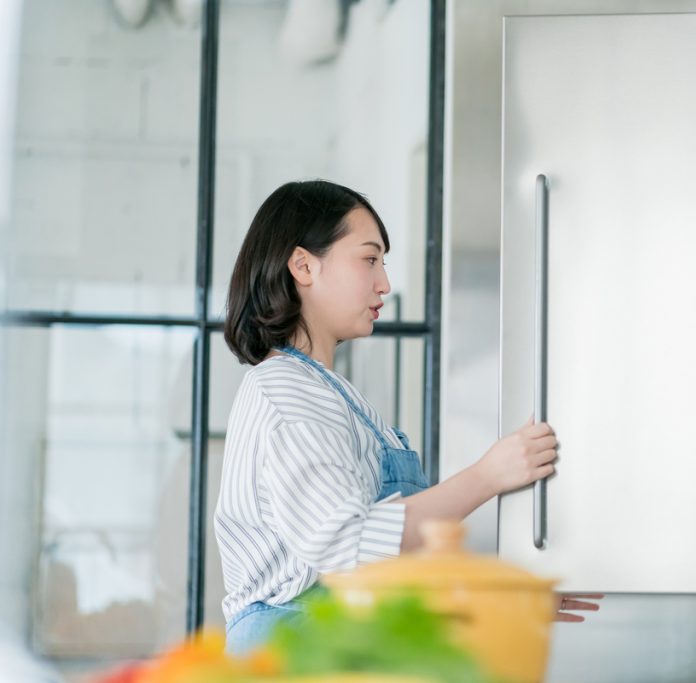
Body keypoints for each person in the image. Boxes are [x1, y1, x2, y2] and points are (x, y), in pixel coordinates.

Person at [215, 180, 597, 656]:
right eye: (369, 259)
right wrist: (487, 475)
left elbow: (385, 567)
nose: (385, 284)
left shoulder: (330, 394)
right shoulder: (287, 393)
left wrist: (501, 597)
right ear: (303, 265)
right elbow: (351, 550)